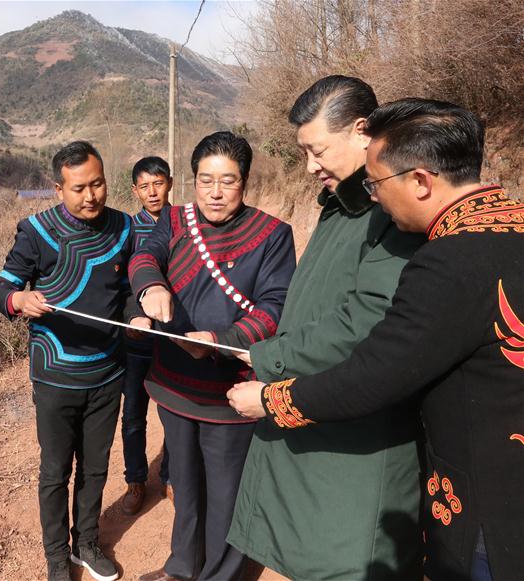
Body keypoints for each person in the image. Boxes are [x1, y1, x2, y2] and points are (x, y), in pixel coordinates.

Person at [227, 98, 524, 581]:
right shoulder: (512, 231)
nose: (375, 198)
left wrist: (272, 398)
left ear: (421, 181)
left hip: (492, 510)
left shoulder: (447, 261)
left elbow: (377, 375)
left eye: (377, 184)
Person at [226, 76, 426, 580]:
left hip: (358, 430)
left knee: (350, 556)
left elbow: (370, 318)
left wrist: (271, 358)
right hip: (317, 396)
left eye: (317, 150)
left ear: (363, 132)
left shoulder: (393, 209)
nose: (311, 166)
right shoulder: (344, 205)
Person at [130, 131, 296, 581]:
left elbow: (276, 305)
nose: (216, 193)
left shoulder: (273, 235)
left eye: (228, 181)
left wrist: (222, 337)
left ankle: (222, 575)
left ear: (245, 183)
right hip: (174, 381)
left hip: (230, 390)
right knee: (184, 481)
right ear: (193, 181)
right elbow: (146, 253)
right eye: (206, 181)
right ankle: (182, 567)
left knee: (226, 491)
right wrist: (152, 285)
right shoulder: (176, 219)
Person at [0, 141, 134, 581]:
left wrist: (139, 314)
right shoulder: (35, 232)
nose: (90, 196)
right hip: (55, 376)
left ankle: (86, 543)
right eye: (78, 188)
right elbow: (0, 288)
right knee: (56, 470)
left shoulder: (124, 228)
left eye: (97, 184)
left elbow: (126, 292)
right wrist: (19, 298)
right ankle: (56, 555)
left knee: (96, 465)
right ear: (58, 188)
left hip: (108, 372)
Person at [121, 156, 172, 515]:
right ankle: (136, 480)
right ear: (135, 190)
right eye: (145, 186)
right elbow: (121, 286)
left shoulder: (185, 221)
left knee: (173, 410)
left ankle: (171, 476)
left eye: (158, 183)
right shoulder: (127, 230)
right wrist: (135, 318)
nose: (152, 192)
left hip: (174, 334)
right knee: (134, 413)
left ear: (169, 182)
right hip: (138, 336)